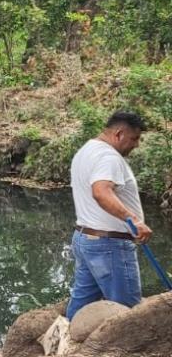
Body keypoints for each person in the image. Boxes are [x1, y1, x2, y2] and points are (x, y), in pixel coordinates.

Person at [66, 111, 152, 320]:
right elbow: (101, 191)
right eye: (134, 138)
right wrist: (133, 221)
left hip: (86, 239)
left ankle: (65, 346)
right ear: (119, 133)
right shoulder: (109, 157)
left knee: (81, 305)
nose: (137, 144)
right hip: (109, 245)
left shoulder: (86, 151)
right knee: (126, 312)